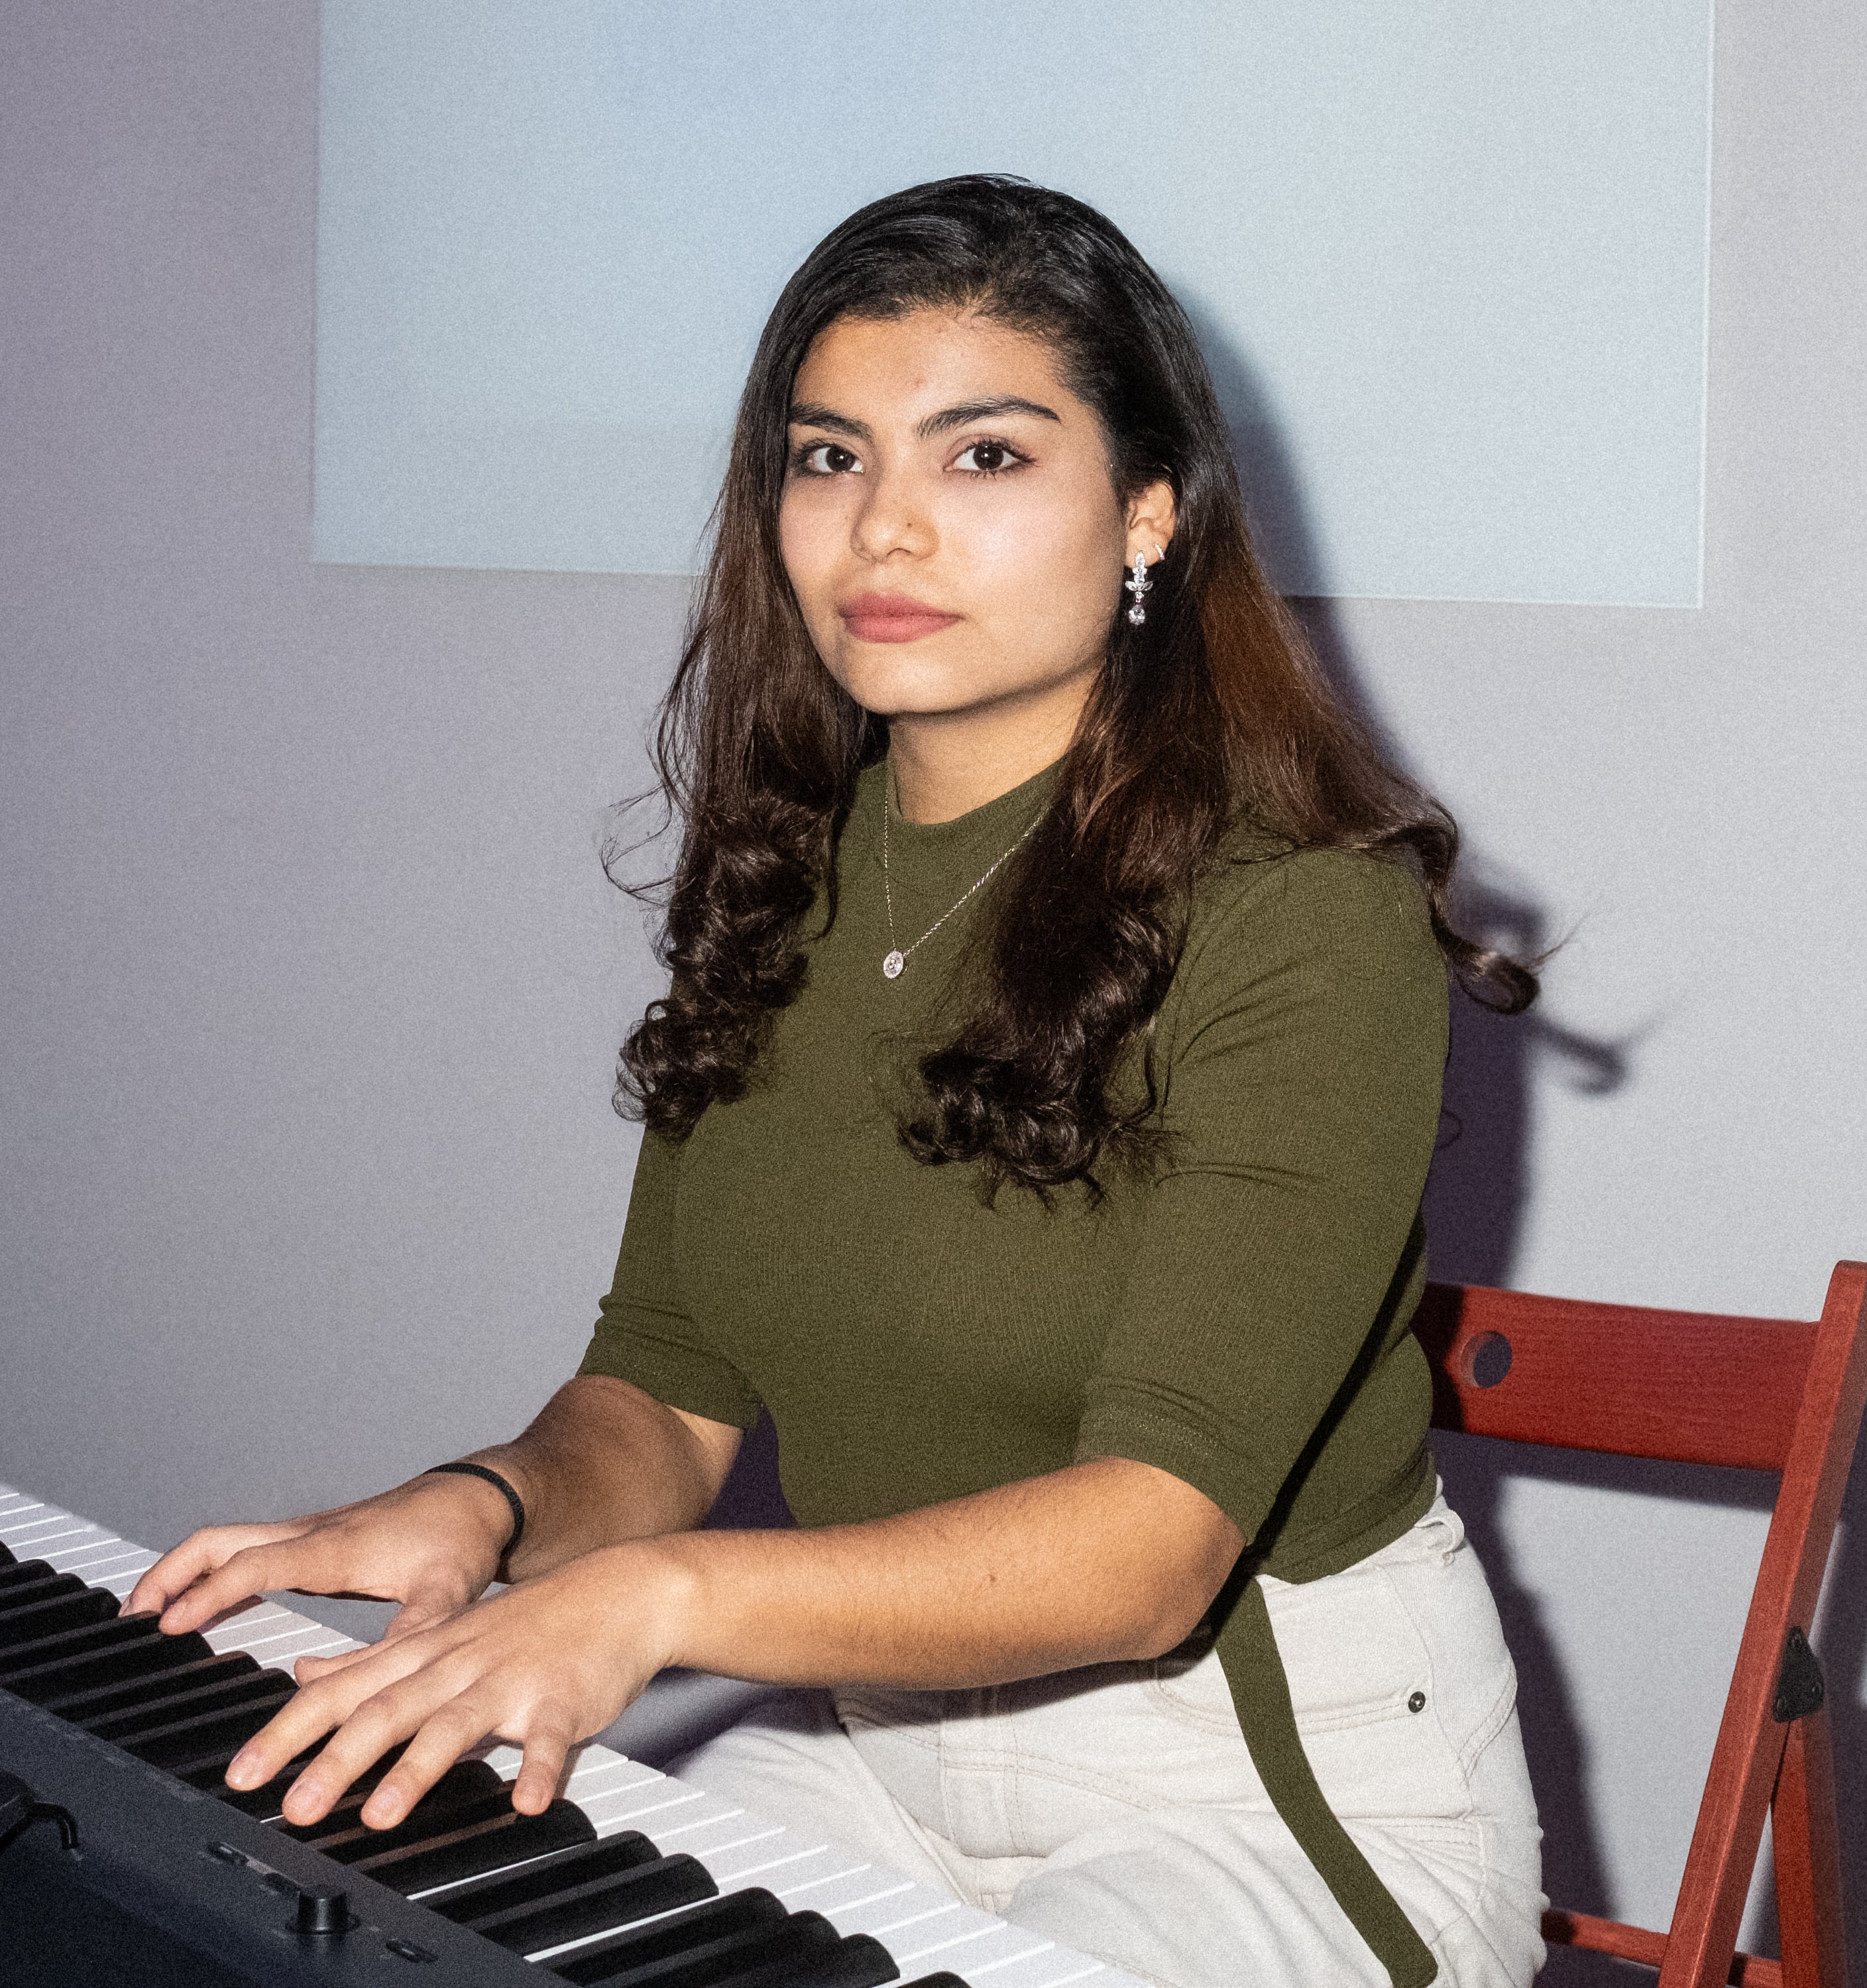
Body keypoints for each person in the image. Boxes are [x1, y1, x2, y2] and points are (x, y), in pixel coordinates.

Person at [128, 176, 1548, 1988]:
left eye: (984, 459)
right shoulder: (795, 871)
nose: (884, 530)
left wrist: (656, 1603)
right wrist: (483, 1508)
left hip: (1267, 1794)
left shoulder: (1303, 911)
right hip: (890, 1756)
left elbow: (1148, 1553)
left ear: (1151, 512)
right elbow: (665, 1395)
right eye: (826, 457)